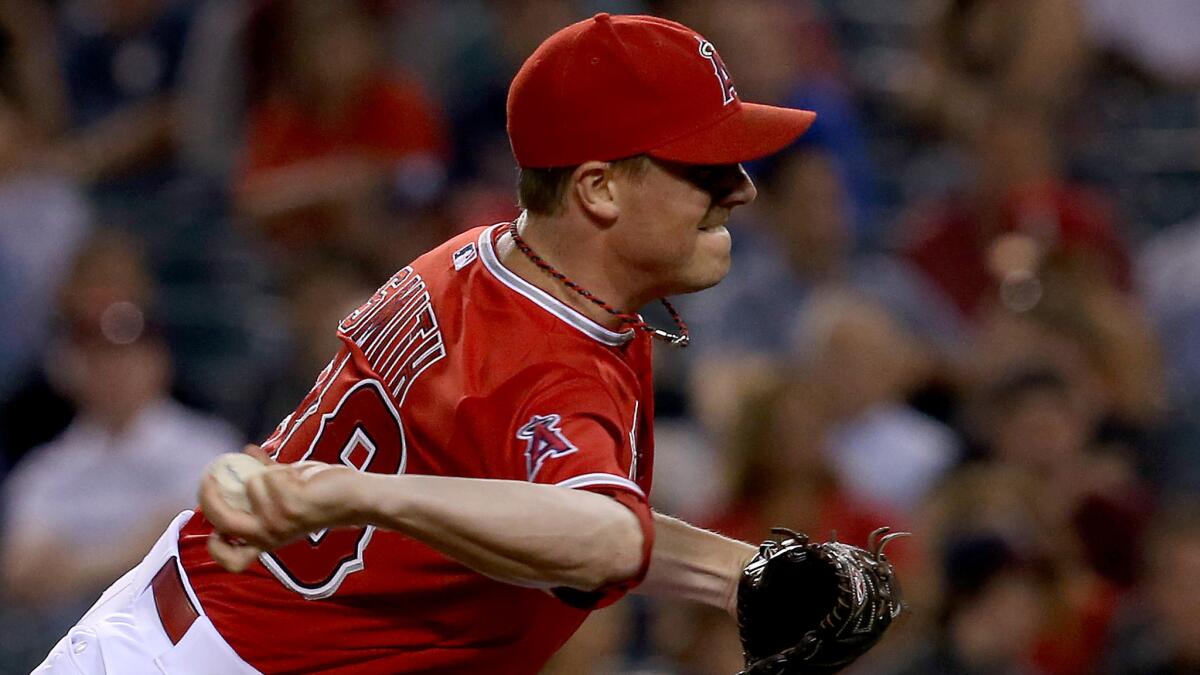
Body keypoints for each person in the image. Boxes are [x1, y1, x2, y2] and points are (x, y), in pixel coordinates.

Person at [35, 13, 823, 674]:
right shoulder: (546, 358)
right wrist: (361, 494)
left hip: (181, 622)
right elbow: (604, 538)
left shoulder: (480, 257)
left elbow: (575, 515)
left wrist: (736, 576)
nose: (743, 186)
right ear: (599, 189)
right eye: (705, 165)